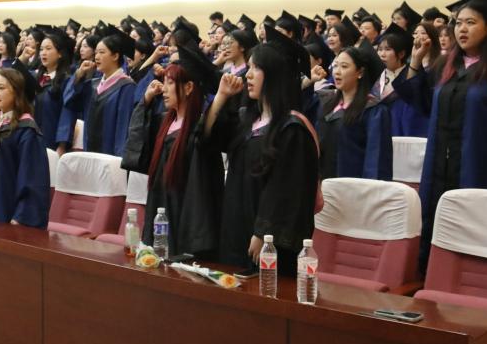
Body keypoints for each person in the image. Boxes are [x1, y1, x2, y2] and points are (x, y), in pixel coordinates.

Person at [398, 0, 487, 271]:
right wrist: (416, 60)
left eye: (471, 22)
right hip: (440, 167)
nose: (461, 29)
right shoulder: (448, 66)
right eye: (458, 22)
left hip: (481, 168)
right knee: (436, 224)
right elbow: (423, 103)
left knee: (476, 233)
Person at [205, 38, 320, 274]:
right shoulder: (247, 120)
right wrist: (222, 96)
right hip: (236, 225)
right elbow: (208, 138)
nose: (248, 74)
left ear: (274, 75)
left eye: (256, 68)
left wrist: (263, 233)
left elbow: (285, 189)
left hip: (266, 240)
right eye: (248, 67)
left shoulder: (292, 128)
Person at [123, 46, 224, 257]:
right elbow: (138, 149)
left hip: (185, 211)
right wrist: (146, 101)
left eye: (170, 83)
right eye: (165, 82)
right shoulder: (164, 122)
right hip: (159, 205)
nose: (164, 89)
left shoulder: (197, 128)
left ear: (188, 88)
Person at [0, 67, 50, 227]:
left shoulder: (27, 131)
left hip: (9, 211)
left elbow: (32, 179)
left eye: (2, 88)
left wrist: (21, 217)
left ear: (17, 92)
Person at [315, 44, 392, 180]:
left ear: (360, 72)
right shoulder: (327, 104)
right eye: (335, 66)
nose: (337, 72)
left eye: (344, 66)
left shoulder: (373, 110)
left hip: (353, 186)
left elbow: (376, 160)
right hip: (325, 184)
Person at [63, 28, 137, 156]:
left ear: (115, 56)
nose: (97, 56)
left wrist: (118, 161)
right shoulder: (92, 85)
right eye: (96, 52)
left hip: (110, 159)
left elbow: (123, 129)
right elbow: (70, 102)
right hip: (89, 154)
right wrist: (79, 75)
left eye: (102, 52)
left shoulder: (126, 87)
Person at [375, 25, 427, 137]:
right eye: (380, 49)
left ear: (401, 54)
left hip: (405, 130)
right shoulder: (377, 77)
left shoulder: (413, 76)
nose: (382, 54)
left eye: (387, 49)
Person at [34, 29, 76, 154]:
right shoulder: (36, 78)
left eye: (48, 49)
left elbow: (67, 114)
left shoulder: (66, 81)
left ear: (60, 54)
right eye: (41, 49)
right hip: (33, 139)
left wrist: (62, 145)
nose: (43, 53)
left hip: (52, 141)